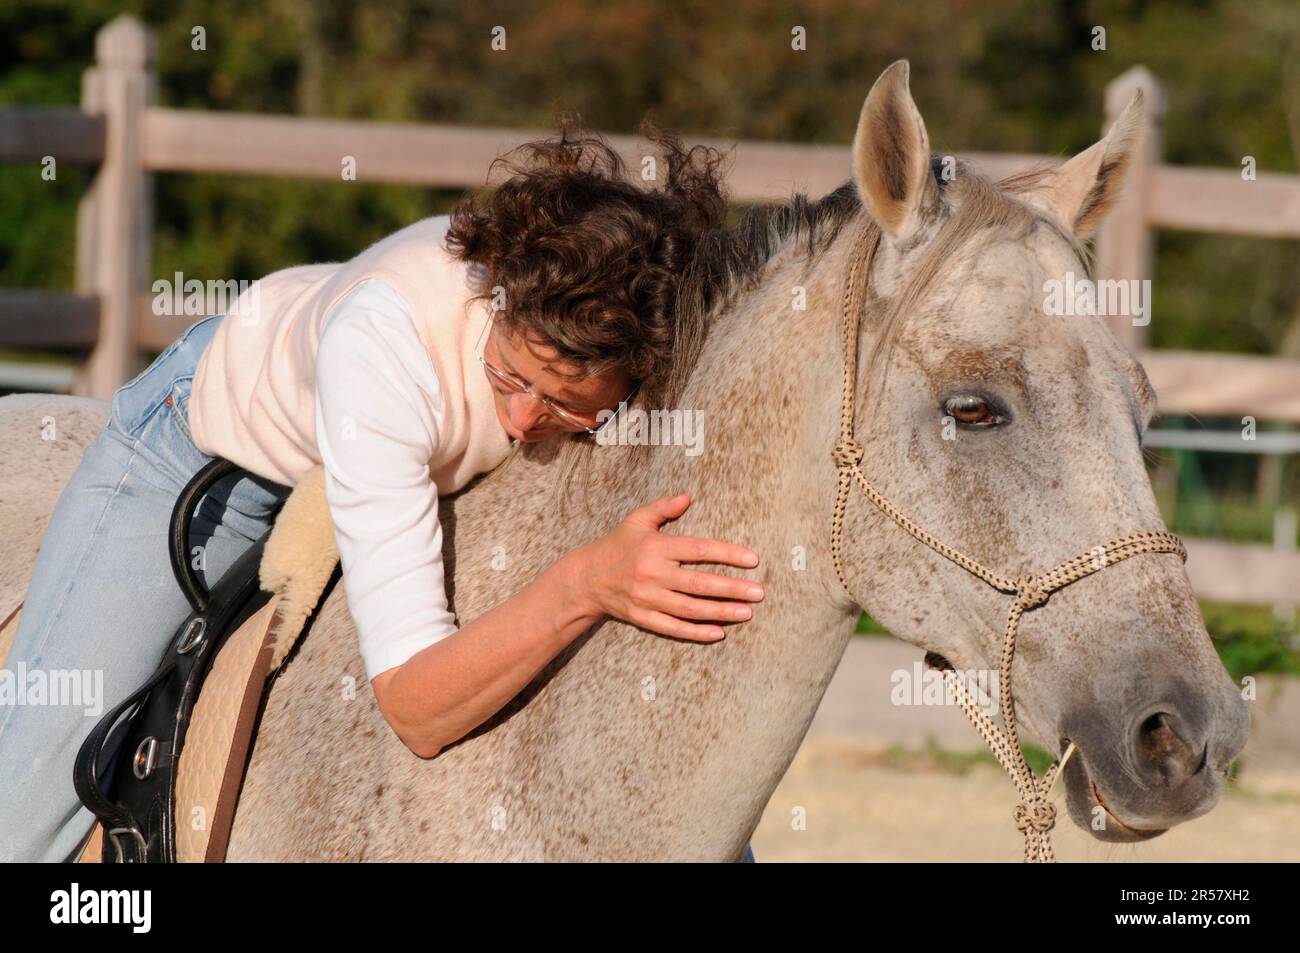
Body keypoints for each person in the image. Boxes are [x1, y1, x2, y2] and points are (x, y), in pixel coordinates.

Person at [0, 117, 766, 862]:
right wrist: (586, 584)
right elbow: (414, 706)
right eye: (511, 375)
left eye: (570, 404)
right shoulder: (385, 349)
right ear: (498, 294)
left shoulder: (614, 357)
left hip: (364, 421)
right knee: (20, 816)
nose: (526, 418)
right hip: (206, 457)